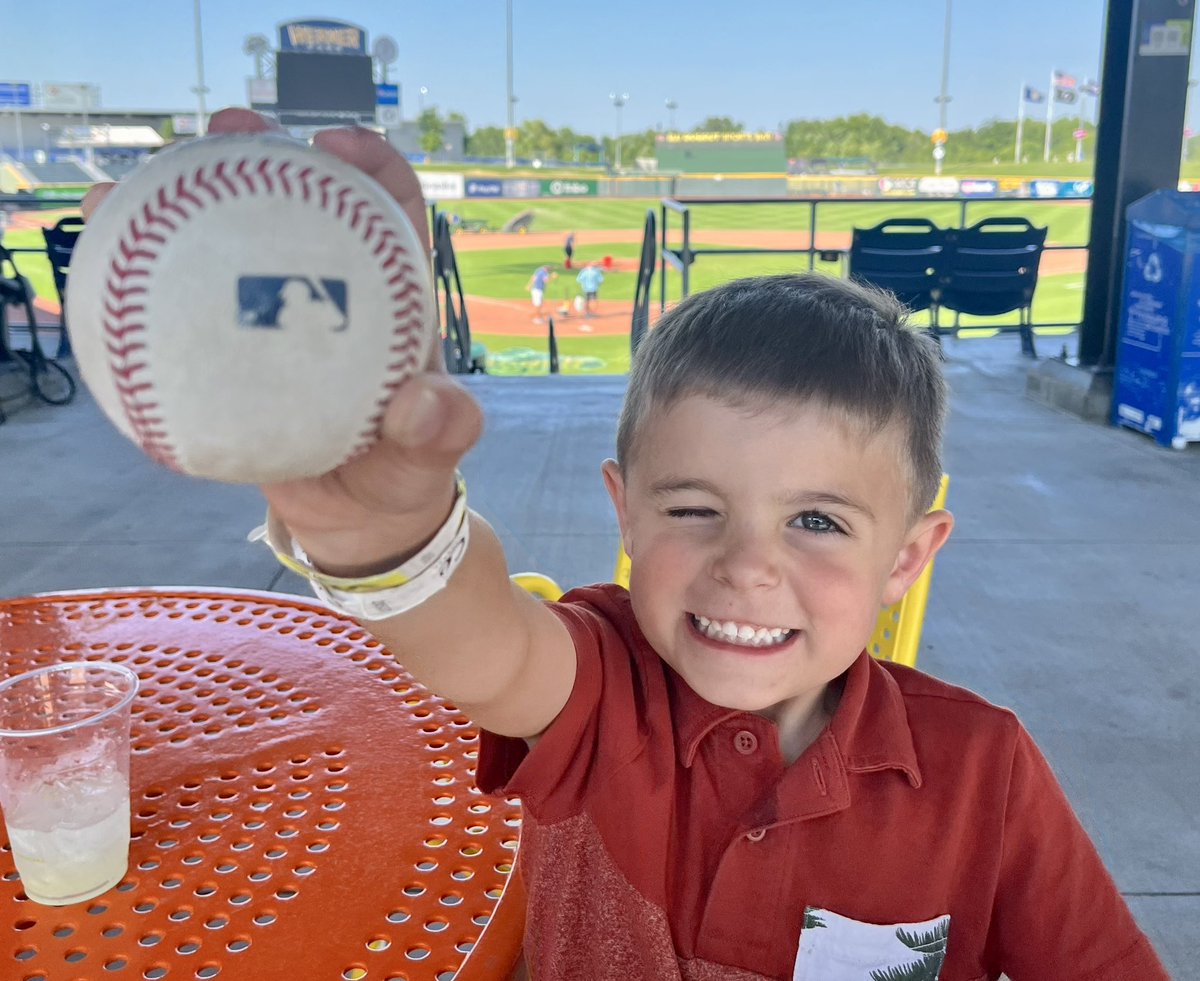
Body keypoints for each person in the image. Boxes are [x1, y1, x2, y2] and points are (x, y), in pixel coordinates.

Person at [85, 110, 1168, 981]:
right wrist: (382, 530)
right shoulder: (604, 689)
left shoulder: (984, 771)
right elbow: (484, 645)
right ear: (625, 512)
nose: (748, 566)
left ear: (907, 557)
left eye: (817, 521)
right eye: (694, 509)